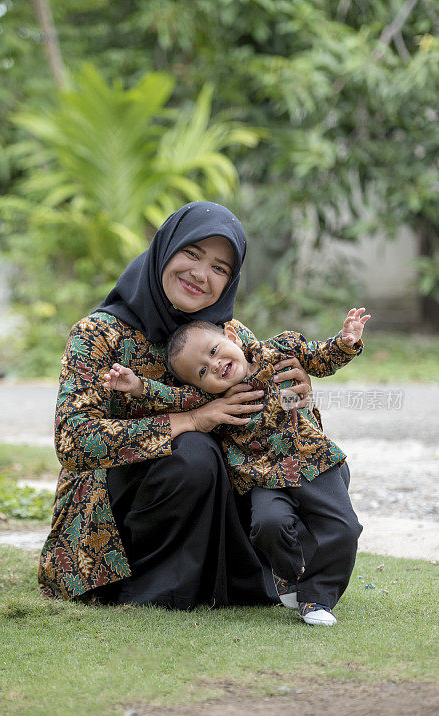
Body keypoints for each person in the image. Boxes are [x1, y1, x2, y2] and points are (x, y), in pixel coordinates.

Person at [38, 201, 312, 610]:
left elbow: (279, 418)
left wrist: (298, 395)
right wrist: (190, 420)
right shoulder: (99, 334)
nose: (201, 275)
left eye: (220, 268)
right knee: (195, 452)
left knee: (236, 458)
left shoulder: (231, 336)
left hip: (211, 504)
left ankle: (228, 581)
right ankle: (147, 590)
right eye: (193, 253)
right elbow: (74, 442)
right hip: (111, 515)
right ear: (166, 249)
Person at [103, 308, 369, 625]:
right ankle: (289, 574)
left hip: (311, 460)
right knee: (268, 525)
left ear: (231, 337)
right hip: (263, 477)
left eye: (214, 351)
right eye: (202, 371)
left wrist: (346, 341)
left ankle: (316, 599)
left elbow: (317, 356)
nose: (214, 364)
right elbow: (172, 397)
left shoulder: (277, 351)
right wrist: (136, 386)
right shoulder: (208, 399)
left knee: (344, 527)